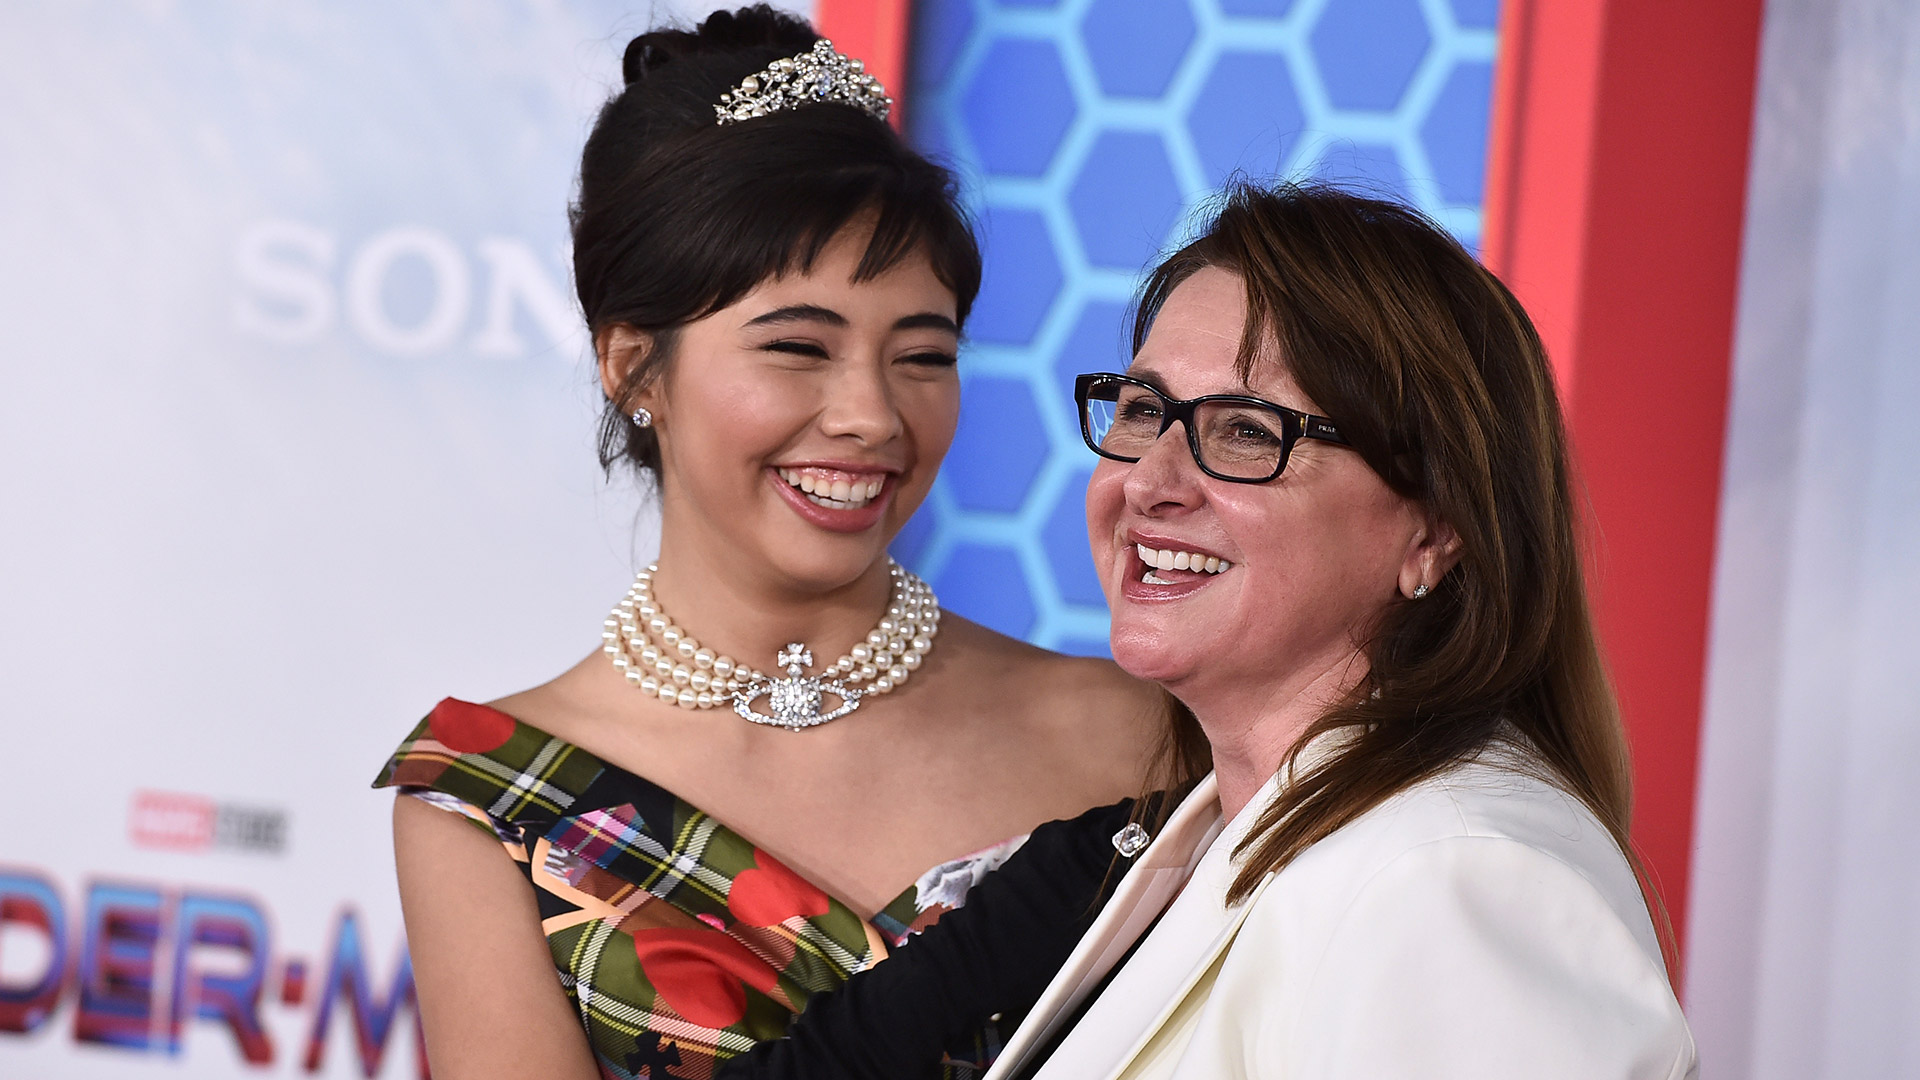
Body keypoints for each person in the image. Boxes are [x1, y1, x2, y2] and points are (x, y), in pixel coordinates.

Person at [714, 181, 1698, 1080]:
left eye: (1243, 431)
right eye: (1144, 411)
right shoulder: (1186, 844)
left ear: (1436, 531)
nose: (1149, 482)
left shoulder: (1455, 875)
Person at [372, 9, 1168, 1079]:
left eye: (922, 356)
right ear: (631, 365)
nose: (872, 416)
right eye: (798, 347)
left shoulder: (1132, 732)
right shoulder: (499, 801)